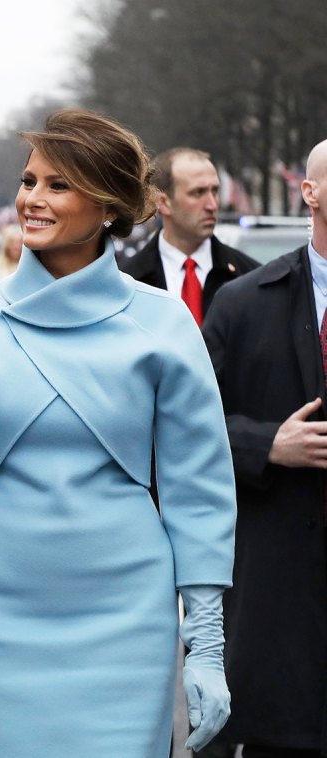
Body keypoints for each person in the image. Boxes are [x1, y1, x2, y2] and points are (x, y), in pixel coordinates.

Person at [0, 109, 237, 757]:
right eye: (28, 180)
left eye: (57, 184)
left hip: (129, 612)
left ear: (106, 206)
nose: (30, 199)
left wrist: (207, 644)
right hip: (3, 613)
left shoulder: (164, 323)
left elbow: (199, 488)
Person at [201, 137, 327, 757]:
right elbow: (184, 434)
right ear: (310, 192)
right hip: (278, 598)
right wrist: (264, 444)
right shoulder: (242, 304)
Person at [120, 147, 259, 325]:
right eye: (198, 193)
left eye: (215, 191)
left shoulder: (249, 276)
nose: (212, 204)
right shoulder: (129, 283)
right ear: (163, 202)